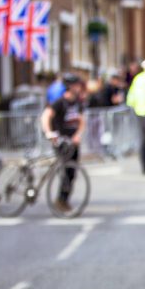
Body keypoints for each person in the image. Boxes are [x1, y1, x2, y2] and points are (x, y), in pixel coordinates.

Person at [40, 72, 85, 212]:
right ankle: (61, 199)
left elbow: (82, 121)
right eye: (76, 85)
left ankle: (64, 199)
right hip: (61, 141)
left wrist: (78, 135)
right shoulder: (60, 102)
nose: (79, 88)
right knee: (65, 171)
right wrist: (49, 133)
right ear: (70, 86)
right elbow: (46, 116)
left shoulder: (77, 103)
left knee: (72, 172)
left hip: (73, 142)